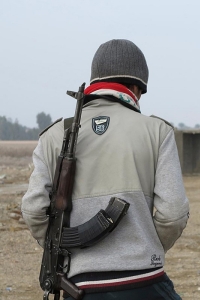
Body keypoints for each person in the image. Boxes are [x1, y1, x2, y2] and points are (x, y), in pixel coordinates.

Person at [21, 39, 190, 299]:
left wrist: (61, 250)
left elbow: (33, 210)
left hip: (81, 285)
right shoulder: (158, 131)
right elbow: (174, 214)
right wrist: (145, 247)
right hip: (145, 280)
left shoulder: (53, 135)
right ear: (136, 87)